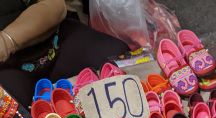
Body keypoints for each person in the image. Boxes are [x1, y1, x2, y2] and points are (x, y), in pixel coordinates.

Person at [0, 0, 129, 107]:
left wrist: (6, 41)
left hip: (55, 41)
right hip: (9, 67)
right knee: (8, 109)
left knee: (118, 61)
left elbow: (54, 5)